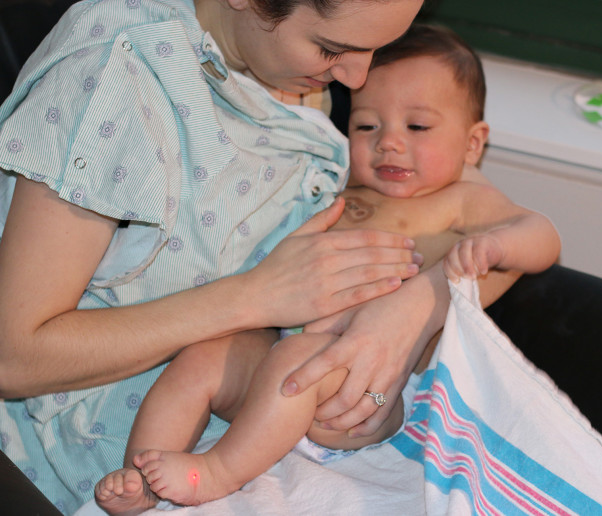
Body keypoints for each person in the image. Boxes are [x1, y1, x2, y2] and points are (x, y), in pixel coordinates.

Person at [94, 24, 561, 514]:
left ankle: (217, 472)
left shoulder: (460, 201)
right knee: (201, 360)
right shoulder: (338, 182)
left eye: (417, 127)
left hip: (365, 394)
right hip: (280, 354)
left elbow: (543, 234)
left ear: (472, 144)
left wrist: (493, 245)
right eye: (367, 126)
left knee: (296, 360)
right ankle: (141, 479)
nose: (389, 144)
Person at [0, 0, 434, 513]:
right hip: (109, 456)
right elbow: (14, 358)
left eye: (376, 49)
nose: (358, 77)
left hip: (254, 410)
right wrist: (254, 299)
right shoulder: (115, 74)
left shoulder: (288, 69)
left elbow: (465, 224)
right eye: (331, 48)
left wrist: (397, 331)